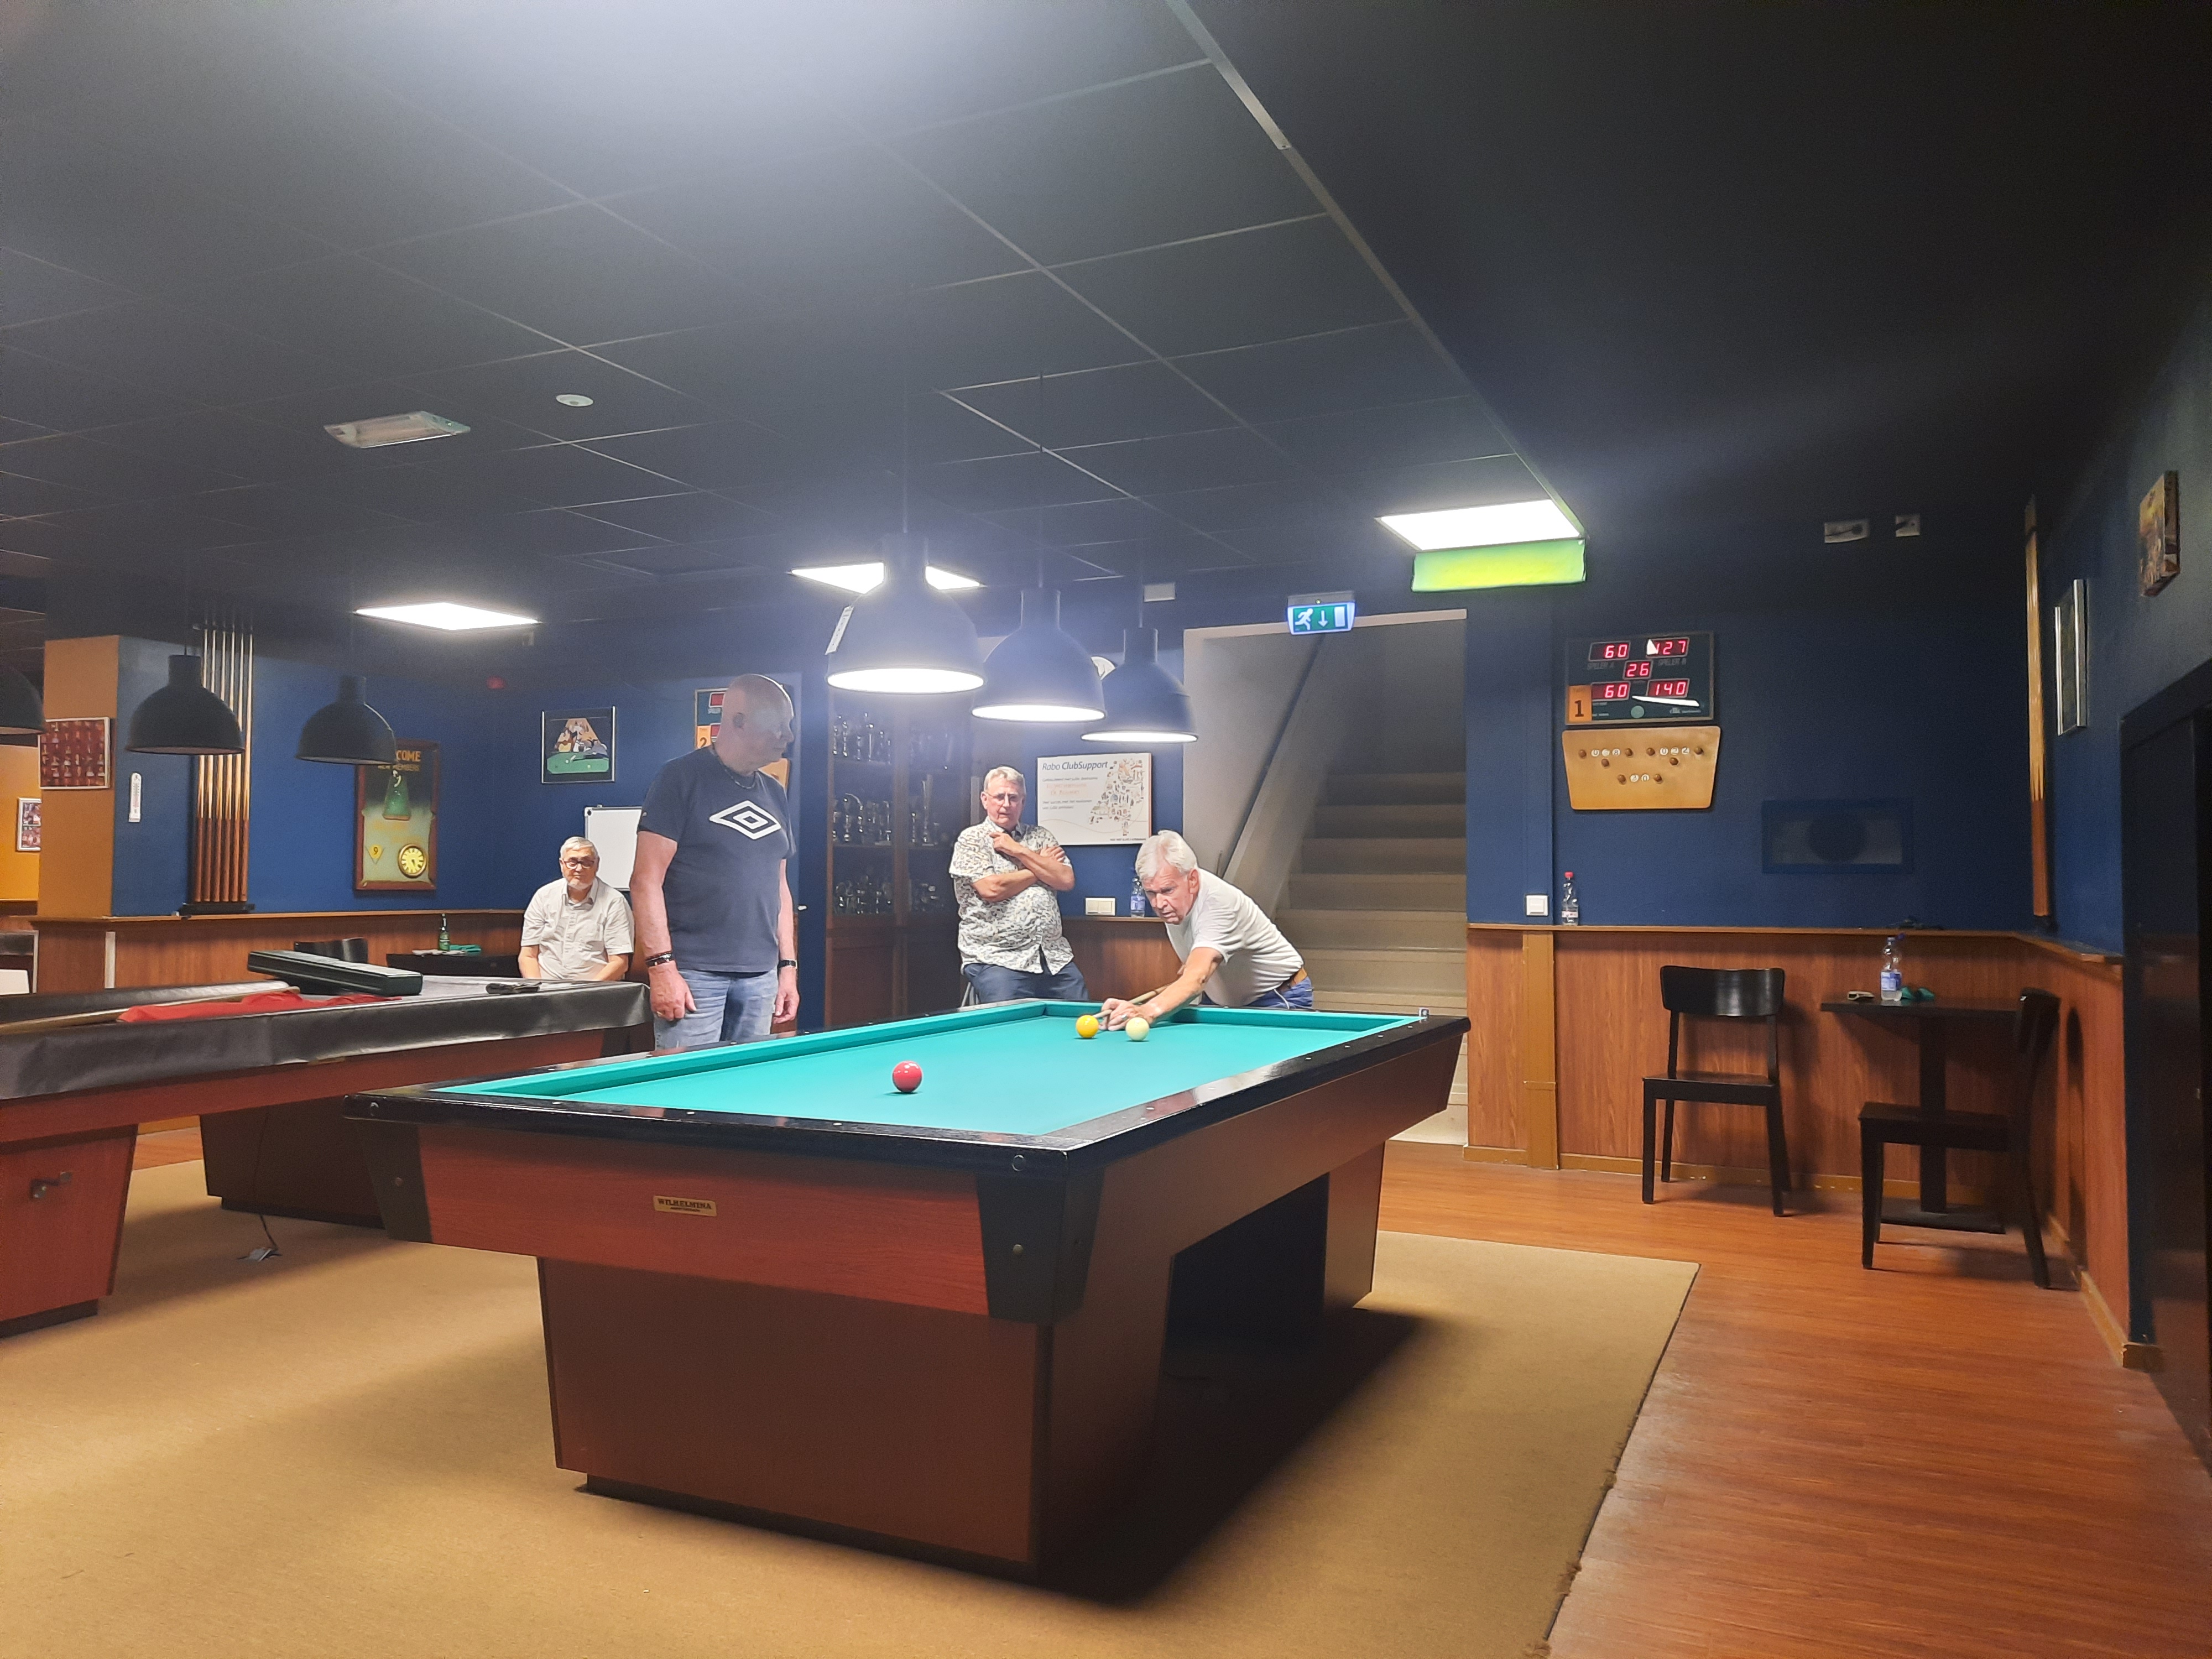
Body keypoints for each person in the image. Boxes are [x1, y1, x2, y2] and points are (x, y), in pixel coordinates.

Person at [630, 674, 799, 1049]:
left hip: (761, 977)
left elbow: (780, 886)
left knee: (748, 1085)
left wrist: (787, 968)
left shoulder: (775, 792)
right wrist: (661, 969)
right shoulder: (679, 778)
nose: (788, 736)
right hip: (693, 976)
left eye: (789, 726)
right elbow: (645, 881)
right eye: (778, 726)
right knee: (686, 1086)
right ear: (738, 721)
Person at [1101, 829, 1311, 1029]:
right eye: (1151, 893)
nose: (1158, 903)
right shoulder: (1175, 902)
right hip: (1221, 1001)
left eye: (1167, 890)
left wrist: (1146, 1012)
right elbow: (1194, 968)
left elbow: (1197, 977)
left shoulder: (1218, 903)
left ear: (1193, 880)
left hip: (1277, 997)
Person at [947, 766, 1087, 1004]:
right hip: (997, 958)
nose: (1006, 804)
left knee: (1081, 1017)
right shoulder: (971, 839)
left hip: (1053, 957)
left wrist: (1018, 851)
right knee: (1008, 1024)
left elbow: (1065, 879)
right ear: (985, 800)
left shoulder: (1041, 837)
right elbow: (992, 889)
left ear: (1023, 802)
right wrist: (1040, 868)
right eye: (999, 797)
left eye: (1013, 798)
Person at [518, 836, 634, 982]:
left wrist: (586, 991)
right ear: (562, 864)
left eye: (586, 862)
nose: (579, 869)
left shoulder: (614, 902)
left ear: (597, 864)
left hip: (596, 989)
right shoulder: (543, 896)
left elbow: (620, 963)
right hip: (546, 988)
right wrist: (538, 989)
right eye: (572, 862)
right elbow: (528, 955)